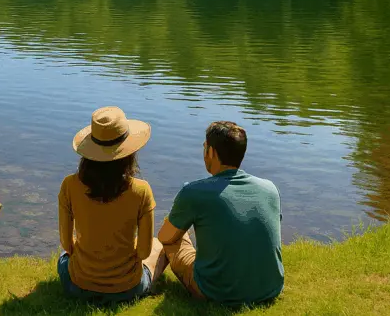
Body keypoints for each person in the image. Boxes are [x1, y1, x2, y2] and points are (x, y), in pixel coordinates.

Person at [158, 121, 284, 309]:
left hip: (216, 291)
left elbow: (165, 237)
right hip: (270, 288)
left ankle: (145, 282)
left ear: (211, 152)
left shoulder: (194, 191)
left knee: (173, 236)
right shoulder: (270, 189)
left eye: (204, 147)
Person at [57, 106, 167, 304]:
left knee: (63, 258)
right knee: (160, 245)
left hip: (77, 286)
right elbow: (143, 252)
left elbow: (67, 245)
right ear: (128, 151)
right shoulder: (142, 190)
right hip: (128, 289)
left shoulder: (69, 185)